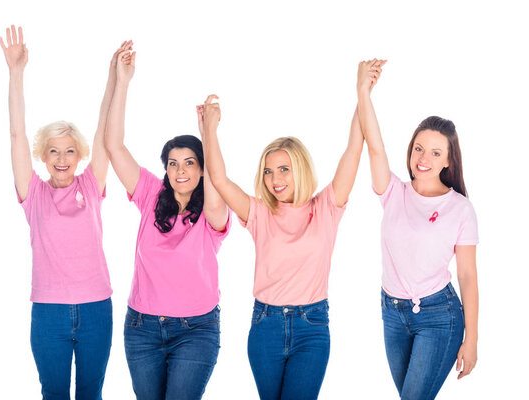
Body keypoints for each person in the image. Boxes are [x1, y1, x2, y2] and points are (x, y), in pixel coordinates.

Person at [199, 64, 381, 399]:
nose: (275, 179)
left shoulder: (325, 208)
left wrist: (362, 93)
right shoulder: (259, 212)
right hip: (265, 325)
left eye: (284, 169)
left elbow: (354, 149)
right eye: (268, 171)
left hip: (311, 328)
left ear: (300, 168)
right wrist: (209, 128)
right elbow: (220, 180)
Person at [0, 25, 126, 399]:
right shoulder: (33, 193)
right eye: (53, 151)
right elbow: (16, 135)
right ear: (43, 154)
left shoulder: (90, 185)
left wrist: (114, 78)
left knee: (91, 392)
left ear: (79, 155)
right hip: (49, 314)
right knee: (53, 393)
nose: (61, 158)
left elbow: (106, 131)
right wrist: (16, 73)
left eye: (69, 150)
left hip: (95, 310)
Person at [103, 43, 231, 400]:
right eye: (173, 163)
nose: (180, 170)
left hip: (196, 329)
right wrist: (123, 81)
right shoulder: (149, 193)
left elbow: (218, 182)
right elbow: (114, 146)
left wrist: (209, 130)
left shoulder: (212, 211)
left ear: (202, 168)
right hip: (142, 328)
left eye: (190, 162)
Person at [357, 59, 479, 400]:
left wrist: (472, 338)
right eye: (419, 148)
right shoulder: (394, 192)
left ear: (447, 161)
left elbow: (467, 275)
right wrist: (363, 92)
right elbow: (375, 145)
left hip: (440, 316)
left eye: (435, 152)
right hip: (392, 313)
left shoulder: (460, 209)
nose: (423, 157)